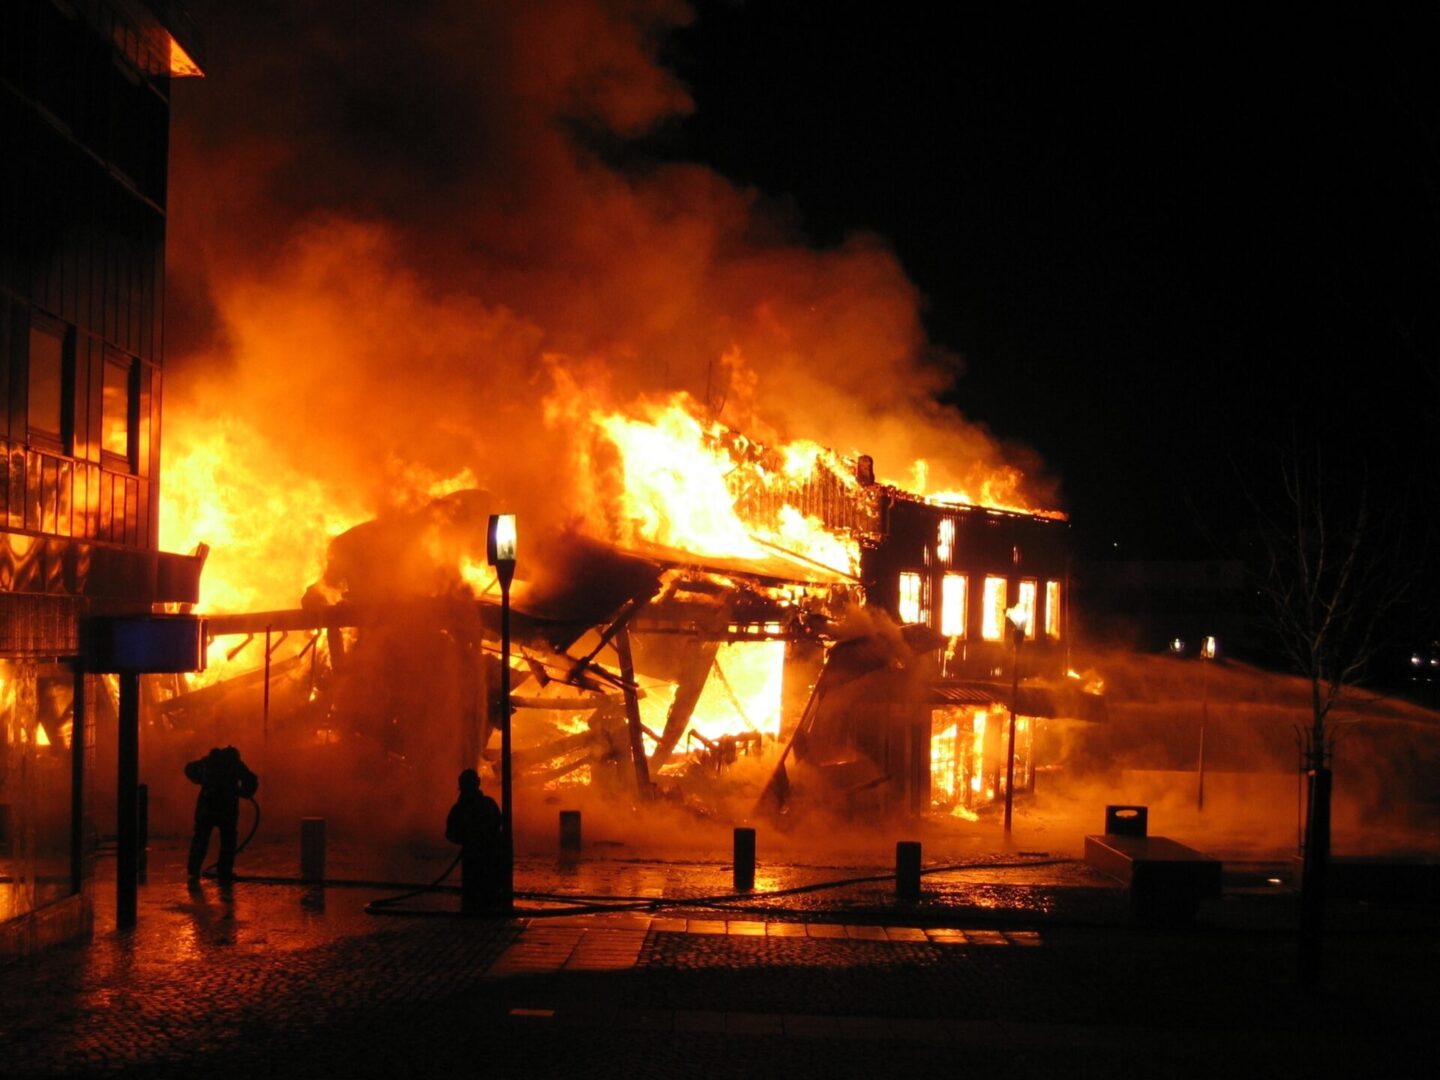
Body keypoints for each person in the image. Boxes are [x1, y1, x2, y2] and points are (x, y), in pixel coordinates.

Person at [185, 746, 258, 884]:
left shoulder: (208, 761)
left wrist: (201, 779)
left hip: (207, 808)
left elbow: (189, 769)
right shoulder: (235, 764)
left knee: (201, 839)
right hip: (227, 809)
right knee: (228, 842)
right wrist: (244, 792)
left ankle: (193, 870)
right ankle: (224, 872)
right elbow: (251, 779)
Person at [445, 768, 503, 912]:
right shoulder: (489, 804)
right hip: (490, 858)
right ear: (478, 783)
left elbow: (450, 833)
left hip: (471, 858)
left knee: (472, 897)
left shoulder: (458, 809)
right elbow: (499, 823)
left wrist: (466, 839)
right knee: (489, 895)